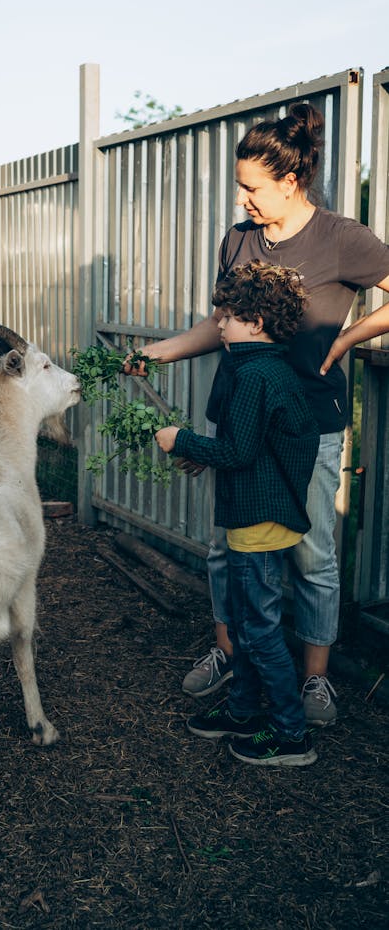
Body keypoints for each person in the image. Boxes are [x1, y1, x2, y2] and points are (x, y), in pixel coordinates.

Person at [126, 102, 389, 727]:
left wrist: (349, 338)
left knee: (311, 555)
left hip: (309, 428)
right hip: (242, 421)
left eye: (252, 187)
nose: (242, 198)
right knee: (226, 547)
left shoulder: (343, 238)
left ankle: (316, 678)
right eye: (240, 185)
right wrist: (161, 351)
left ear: (290, 182)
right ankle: (230, 654)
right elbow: (222, 323)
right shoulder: (238, 240)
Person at [156, 260, 319, 766]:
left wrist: (181, 440)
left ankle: (292, 733)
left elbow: (237, 453)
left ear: (255, 322)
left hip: (259, 525)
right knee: (249, 625)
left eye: (226, 316)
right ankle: (245, 709)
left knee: (258, 630)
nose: (219, 325)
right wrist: (204, 450)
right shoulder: (271, 370)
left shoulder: (253, 377)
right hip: (259, 518)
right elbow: (246, 446)